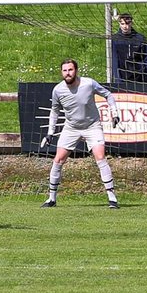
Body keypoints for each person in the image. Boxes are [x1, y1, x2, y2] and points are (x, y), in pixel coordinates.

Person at [41, 59, 121, 209]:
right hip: (71, 128)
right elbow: (54, 111)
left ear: (76, 70)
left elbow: (108, 95)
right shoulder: (58, 90)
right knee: (58, 160)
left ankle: (112, 198)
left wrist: (115, 113)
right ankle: (51, 199)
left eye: (70, 70)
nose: (67, 73)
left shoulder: (89, 83)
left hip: (92, 126)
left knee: (100, 157)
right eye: (64, 70)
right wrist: (50, 133)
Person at [109, 12, 147, 84]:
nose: (125, 26)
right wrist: (118, 79)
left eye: (127, 23)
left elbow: (146, 57)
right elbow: (114, 60)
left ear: (131, 23)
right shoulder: (115, 39)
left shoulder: (140, 38)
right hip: (123, 77)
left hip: (139, 77)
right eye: (122, 24)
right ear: (119, 24)